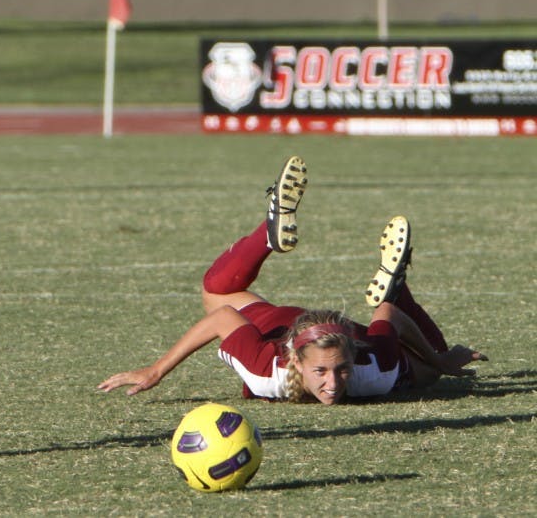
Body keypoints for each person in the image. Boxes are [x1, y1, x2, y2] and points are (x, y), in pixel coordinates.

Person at [98, 156, 487, 404]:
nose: (334, 384)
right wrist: (438, 361)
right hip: (281, 329)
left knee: (217, 290)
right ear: (296, 363)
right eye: (320, 371)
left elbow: (220, 319)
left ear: (355, 356)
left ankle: (268, 237)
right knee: (431, 369)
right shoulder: (284, 369)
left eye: (341, 370)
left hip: (322, 329)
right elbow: (388, 314)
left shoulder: (357, 368)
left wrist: (439, 362)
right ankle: (398, 284)